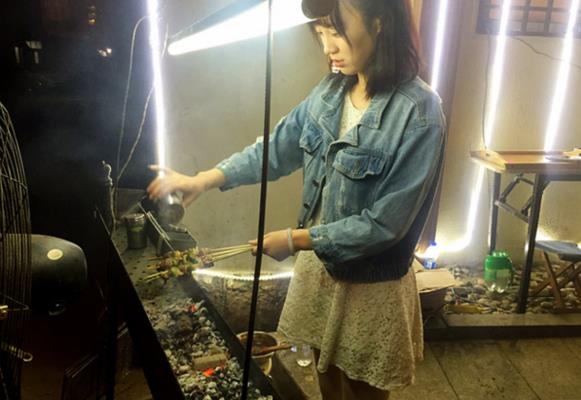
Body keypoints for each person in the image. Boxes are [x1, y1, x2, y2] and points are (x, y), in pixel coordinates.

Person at [148, 0, 445, 398]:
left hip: (371, 286)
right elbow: (276, 149)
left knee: (361, 392)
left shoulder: (420, 112)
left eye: (336, 32)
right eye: (320, 33)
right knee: (327, 383)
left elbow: (386, 224)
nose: (327, 47)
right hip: (319, 268)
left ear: (380, 22)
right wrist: (204, 180)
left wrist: (296, 239)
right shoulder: (331, 90)